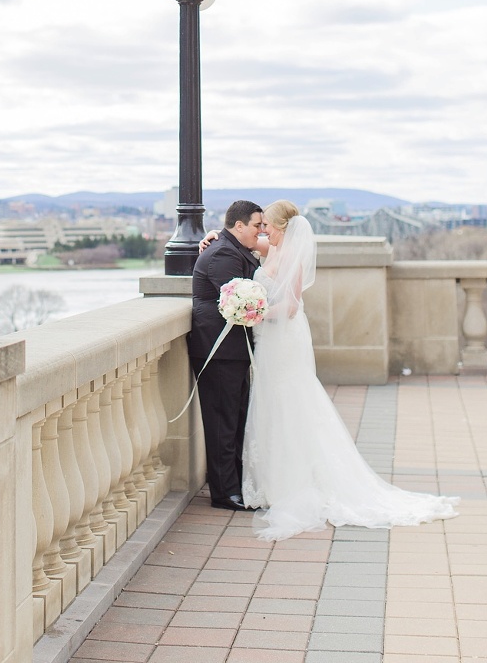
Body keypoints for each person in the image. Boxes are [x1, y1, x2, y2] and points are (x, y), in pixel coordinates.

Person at [238, 200, 459, 539]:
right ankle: (273, 481)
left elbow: (293, 306)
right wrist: (211, 235)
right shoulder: (272, 247)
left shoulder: (291, 255)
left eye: (267, 224)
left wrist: (256, 313)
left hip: (284, 337)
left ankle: (295, 483)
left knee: (290, 400)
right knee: (272, 402)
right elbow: (247, 242)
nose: (263, 229)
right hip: (269, 340)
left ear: (282, 227)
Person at [188, 199, 264, 511]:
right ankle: (224, 492)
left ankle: (235, 485)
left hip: (234, 351)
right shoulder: (222, 254)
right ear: (239, 225)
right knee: (222, 420)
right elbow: (241, 300)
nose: (261, 231)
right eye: (257, 225)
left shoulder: (235, 250)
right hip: (218, 350)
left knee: (235, 418)